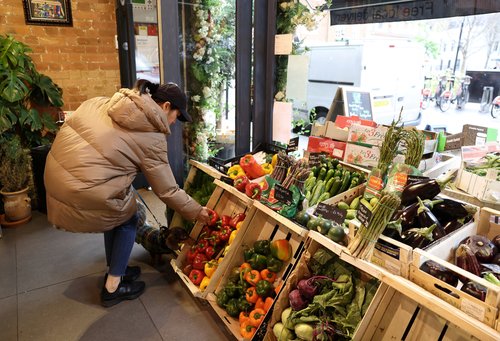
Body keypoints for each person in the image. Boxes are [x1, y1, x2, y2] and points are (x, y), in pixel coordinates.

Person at [44, 79, 211, 307]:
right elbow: (167, 190)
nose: (174, 123)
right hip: (83, 184)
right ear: (165, 106)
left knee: (114, 213)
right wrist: (197, 212)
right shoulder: (152, 135)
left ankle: (116, 269)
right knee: (127, 217)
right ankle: (113, 287)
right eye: (176, 116)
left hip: (57, 173)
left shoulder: (107, 102)